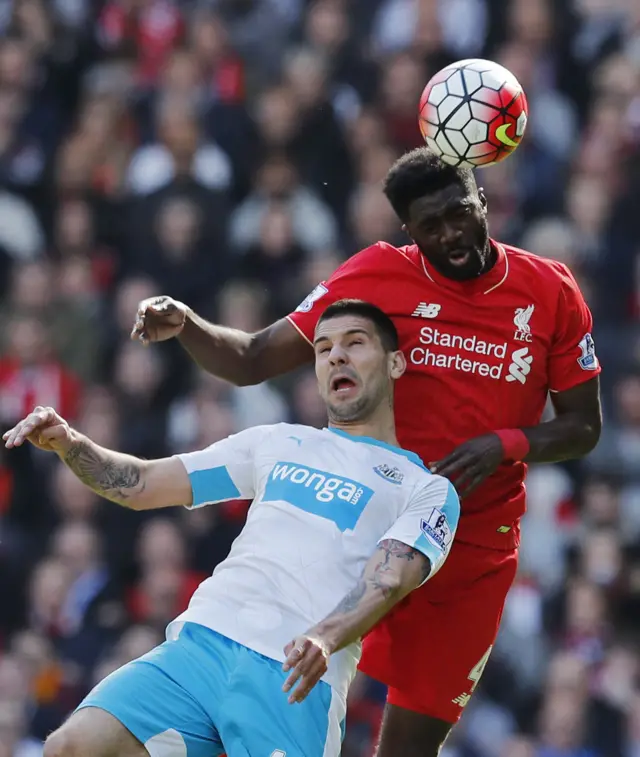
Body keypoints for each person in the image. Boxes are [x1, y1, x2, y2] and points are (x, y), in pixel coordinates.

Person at [131, 147, 603, 757]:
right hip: (359, 535)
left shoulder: (550, 290)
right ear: (408, 232)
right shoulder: (378, 274)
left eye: (459, 215)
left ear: (482, 201)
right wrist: (189, 325)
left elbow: (583, 428)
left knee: (408, 748)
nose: (451, 235)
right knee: (271, 716)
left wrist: (503, 445)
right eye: (429, 228)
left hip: (471, 554)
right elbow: (250, 360)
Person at [4, 300, 460, 757]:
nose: (336, 356)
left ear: (396, 362)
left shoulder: (427, 489)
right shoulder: (278, 442)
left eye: (354, 343)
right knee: (71, 747)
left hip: (292, 675)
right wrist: (70, 444)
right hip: (201, 643)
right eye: (323, 349)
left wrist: (326, 635)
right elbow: (142, 483)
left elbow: (389, 580)